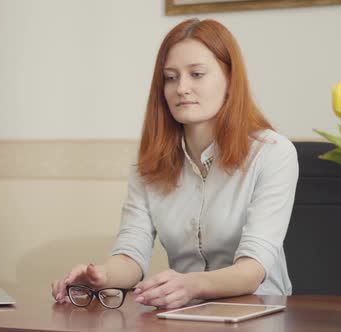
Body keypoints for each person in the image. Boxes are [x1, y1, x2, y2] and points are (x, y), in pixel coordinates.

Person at [51, 18, 298, 309]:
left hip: (260, 311)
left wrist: (191, 284)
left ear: (230, 80)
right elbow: (131, 253)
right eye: (170, 77)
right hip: (185, 313)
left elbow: (252, 270)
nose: (181, 88)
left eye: (196, 74)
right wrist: (102, 276)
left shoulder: (273, 153)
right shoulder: (149, 164)